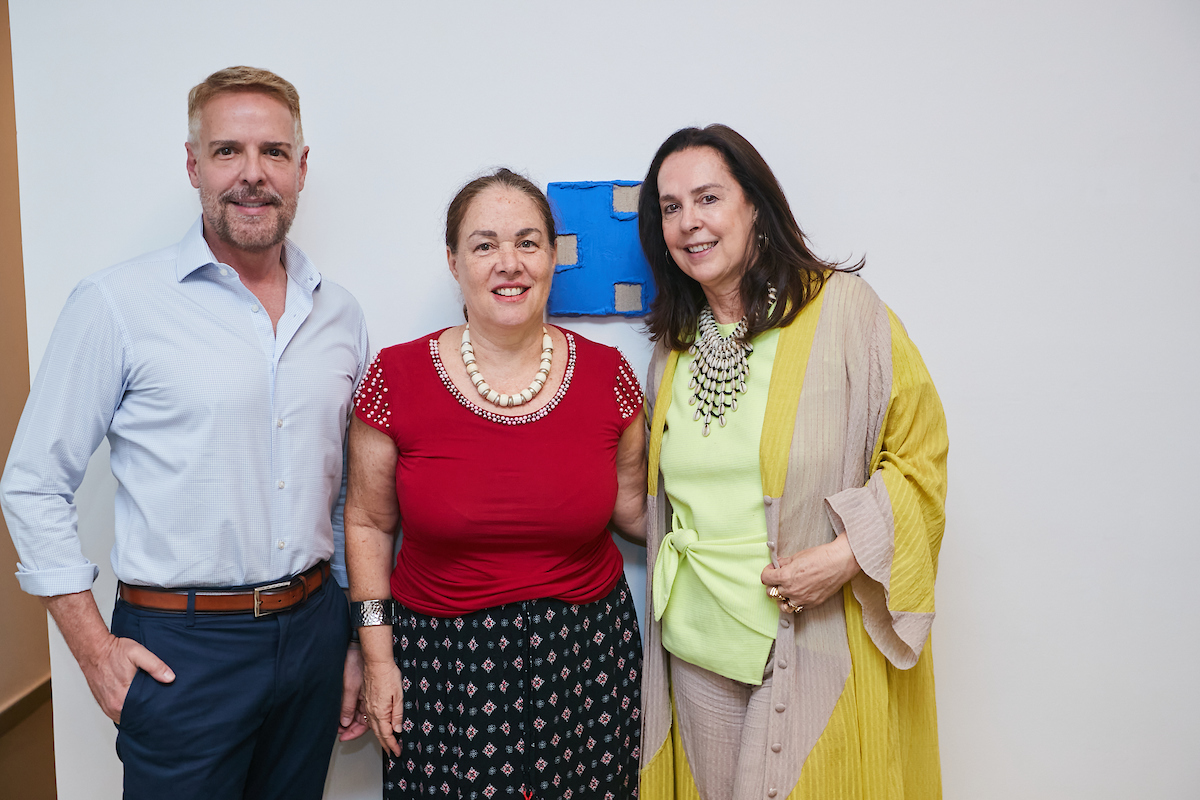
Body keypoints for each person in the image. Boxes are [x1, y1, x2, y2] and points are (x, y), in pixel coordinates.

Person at [0, 66, 370, 799]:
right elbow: (33, 482)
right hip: (183, 649)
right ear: (194, 164)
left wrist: (351, 637)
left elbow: (344, 492)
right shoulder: (116, 304)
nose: (252, 175)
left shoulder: (341, 313)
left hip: (313, 634)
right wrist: (93, 650)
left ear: (300, 167)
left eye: (273, 153)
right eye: (229, 150)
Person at [634, 125, 949, 800]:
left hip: (807, 636)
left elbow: (919, 455)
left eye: (708, 198)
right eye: (669, 207)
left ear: (755, 206)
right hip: (696, 642)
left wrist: (845, 557)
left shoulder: (845, 313)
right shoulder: (675, 346)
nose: (689, 222)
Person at [345, 168, 646, 800]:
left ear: (552, 257)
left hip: (587, 664)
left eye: (528, 242)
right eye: (485, 245)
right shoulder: (395, 377)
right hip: (446, 669)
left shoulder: (607, 374)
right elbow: (369, 522)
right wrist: (377, 659)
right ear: (454, 262)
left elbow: (633, 506)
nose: (508, 263)